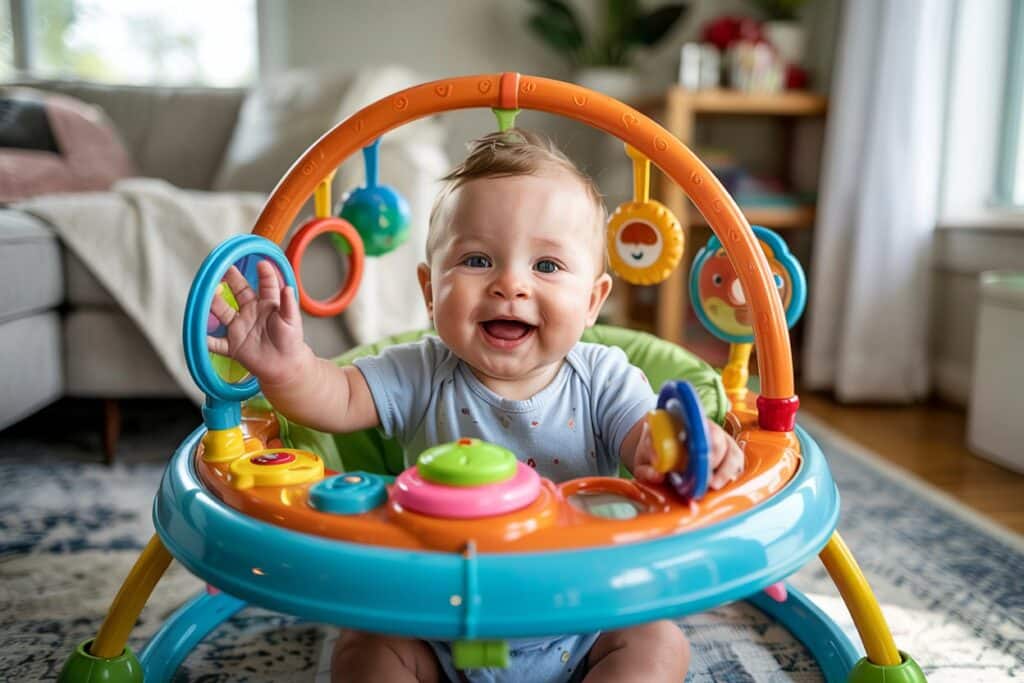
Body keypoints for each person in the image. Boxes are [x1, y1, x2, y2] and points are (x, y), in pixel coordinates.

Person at [208, 129, 744, 683]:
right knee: (366, 651)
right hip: (436, 616)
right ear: (430, 290)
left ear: (592, 302)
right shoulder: (419, 370)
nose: (510, 284)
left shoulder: (602, 377)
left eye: (547, 266)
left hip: (580, 616)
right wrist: (286, 365)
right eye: (478, 259)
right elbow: (333, 400)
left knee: (657, 644)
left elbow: (646, 438)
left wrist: (681, 445)